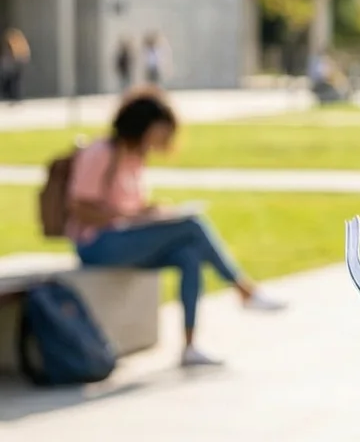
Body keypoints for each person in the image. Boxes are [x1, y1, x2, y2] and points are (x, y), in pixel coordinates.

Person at [65, 88, 285, 367]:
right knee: (192, 226)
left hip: (126, 239)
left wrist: (151, 213)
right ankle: (244, 290)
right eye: (161, 130)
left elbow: (131, 207)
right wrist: (127, 217)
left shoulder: (135, 159)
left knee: (188, 255)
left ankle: (190, 346)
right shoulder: (101, 153)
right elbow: (79, 208)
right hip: (97, 244)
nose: (164, 138)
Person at [0, 27, 30, 102]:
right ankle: (13, 96)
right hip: (15, 64)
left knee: (12, 82)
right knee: (13, 82)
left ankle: (13, 96)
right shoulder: (18, 41)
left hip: (14, 65)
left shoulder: (13, 41)